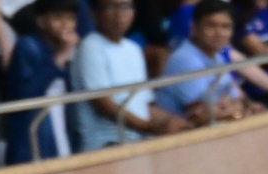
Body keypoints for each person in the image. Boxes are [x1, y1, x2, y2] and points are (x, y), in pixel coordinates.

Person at [72, 0, 189, 148]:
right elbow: (104, 106)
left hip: (139, 139)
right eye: (110, 7)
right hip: (106, 144)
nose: (119, 14)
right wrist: (151, 127)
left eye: (125, 6)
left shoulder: (133, 49)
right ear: (93, 14)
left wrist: (176, 122)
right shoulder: (90, 46)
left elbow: (144, 105)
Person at [155, 0, 268, 123]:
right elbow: (202, 115)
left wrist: (249, 106)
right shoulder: (184, 59)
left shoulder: (217, 56)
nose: (219, 33)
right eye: (211, 26)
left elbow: (236, 99)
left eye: (226, 27)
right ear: (193, 28)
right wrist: (240, 111)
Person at [0, 0, 78, 164]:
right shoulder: (27, 46)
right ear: (41, 21)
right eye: (57, 18)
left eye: (70, 18)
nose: (65, 24)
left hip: (61, 140)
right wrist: (60, 57)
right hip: (33, 148)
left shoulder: (65, 50)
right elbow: (27, 94)